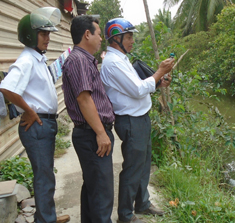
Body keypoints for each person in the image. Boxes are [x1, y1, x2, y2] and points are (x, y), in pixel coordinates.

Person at [100, 18, 174, 223]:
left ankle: (142, 203)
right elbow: (138, 89)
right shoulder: (113, 63)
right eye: (129, 36)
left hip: (140, 118)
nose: (133, 40)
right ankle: (125, 214)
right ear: (116, 38)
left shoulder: (122, 58)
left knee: (143, 164)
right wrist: (159, 71)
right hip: (131, 121)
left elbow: (136, 87)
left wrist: (158, 83)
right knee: (133, 169)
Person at [0, 7, 69, 223]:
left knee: (46, 175)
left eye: (48, 34)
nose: (47, 38)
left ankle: (47, 215)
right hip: (37, 125)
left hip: (44, 125)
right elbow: (7, 87)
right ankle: (45, 220)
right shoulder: (27, 60)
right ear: (31, 36)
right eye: (43, 34)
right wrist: (29, 111)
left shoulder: (37, 58)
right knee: (44, 177)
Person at [61, 15, 115, 223]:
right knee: (101, 192)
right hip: (92, 133)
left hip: (91, 132)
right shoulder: (79, 61)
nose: (101, 39)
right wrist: (101, 133)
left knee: (94, 188)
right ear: (87, 34)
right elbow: (84, 100)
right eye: (99, 34)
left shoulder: (84, 60)